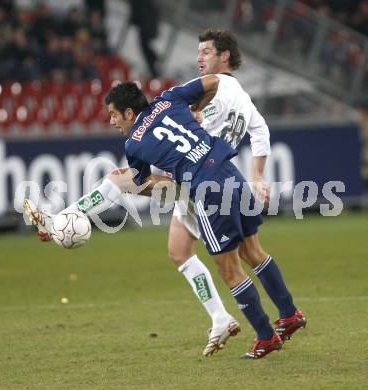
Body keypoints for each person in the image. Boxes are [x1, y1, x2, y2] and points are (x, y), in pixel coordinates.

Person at [25, 74, 291, 359]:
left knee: (229, 267)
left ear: (129, 112)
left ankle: (265, 335)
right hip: (228, 170)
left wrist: (163, 179)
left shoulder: (133, 145)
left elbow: (141, 183)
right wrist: (196, 109)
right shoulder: (169, 98)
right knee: (235, 251)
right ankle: (278, 315)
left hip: (205, 189)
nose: (112, 122)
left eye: (114, 115)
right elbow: (214, 80)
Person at [152, 29, 306, 357]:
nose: (199, 58)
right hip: (231, 178)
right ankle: (289, 313)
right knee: (249, 252)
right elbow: (260, 129)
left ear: (224, 56)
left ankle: (264, 334)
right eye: (199, 52)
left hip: (208, 184)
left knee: (227, 266)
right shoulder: (240, 93)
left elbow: (195, 128)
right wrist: (258, 176)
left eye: (206, 52)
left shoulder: (216, 91)